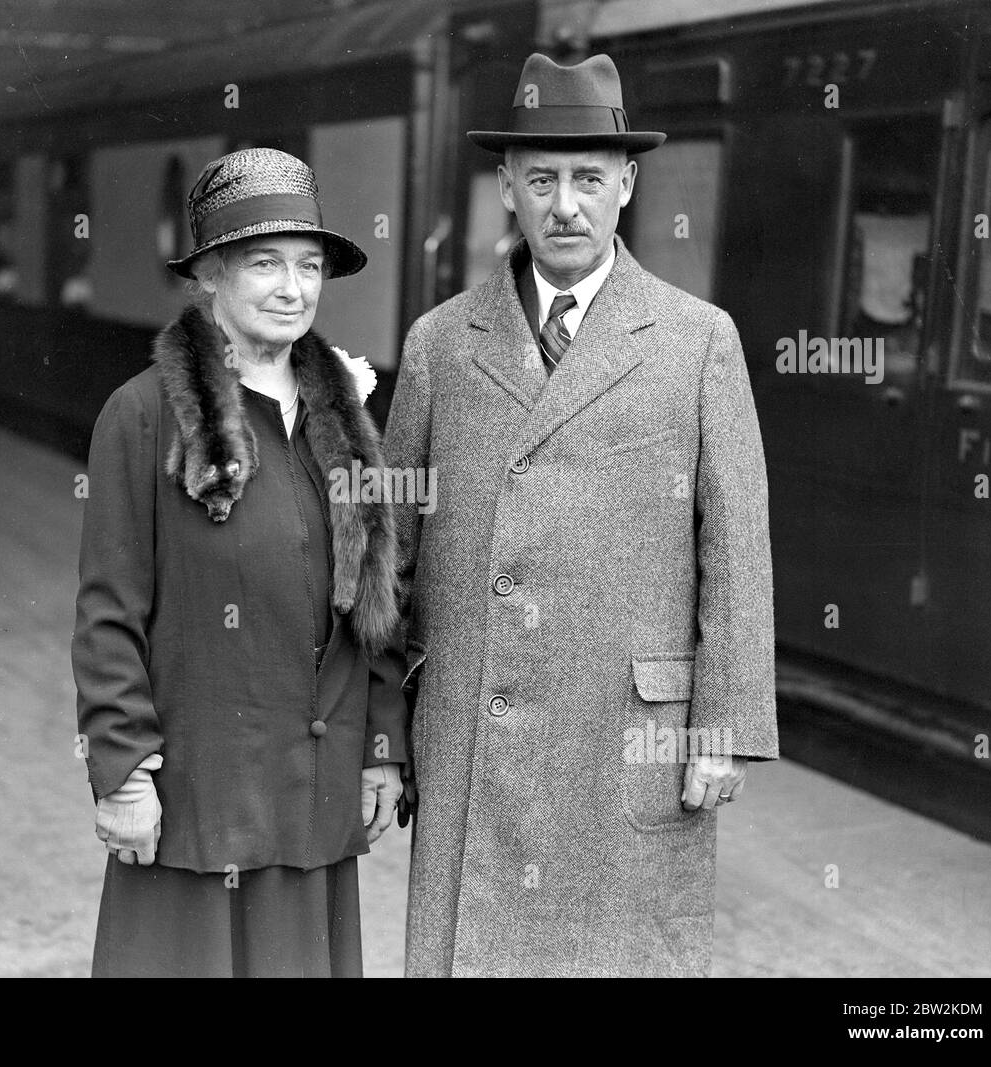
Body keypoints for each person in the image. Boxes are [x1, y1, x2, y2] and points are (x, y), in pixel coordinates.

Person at [384, 53, 780, 977]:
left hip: (626, 740)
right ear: (507, 187)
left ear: (628, 184)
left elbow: (738, 547)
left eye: (589, 179)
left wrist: (723, 728)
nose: (566, 205)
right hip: (473, 730)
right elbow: (388, 558)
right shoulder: (441, 342)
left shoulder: (697, 340)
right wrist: (376, 731)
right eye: (543, 178)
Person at [71, 147, 407, 978]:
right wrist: (123, 773)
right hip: (197, 805)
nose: (293, 288)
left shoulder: (347, 421)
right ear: (210, 275)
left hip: (312, 803)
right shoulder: (144, 418)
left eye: (309, 266)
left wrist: (380, 749)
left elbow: (379, 606)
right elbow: (109, 611)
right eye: (265, 263)